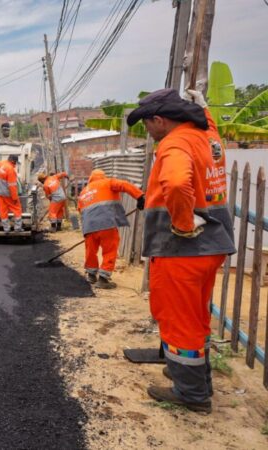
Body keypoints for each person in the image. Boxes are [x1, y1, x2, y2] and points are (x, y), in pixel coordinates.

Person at [127, 88, 235, 413]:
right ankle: (195, 377)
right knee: (197, 315)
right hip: (212, 244)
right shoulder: (208, 136)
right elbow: (209, 126)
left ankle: (191, 394)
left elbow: (175, 184)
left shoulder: (174, 144)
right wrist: (204, 108)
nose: (146, 131)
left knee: (178, 319)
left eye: (147, 124)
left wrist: (184, 223)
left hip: (183, 250)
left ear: (160, 120)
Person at [77, 169, 144, 289]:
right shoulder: (107, 182)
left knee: (91, 250)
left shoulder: (83, 192)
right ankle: (103, 278)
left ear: (90, 179)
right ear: (102, 177)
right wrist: (140, 196)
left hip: (89, 226)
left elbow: (80, 210)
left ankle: (91, 275)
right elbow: (124, 185)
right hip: (106, 223)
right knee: (110, 249)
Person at [0, 155, 22, 232]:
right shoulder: (11, 170)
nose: (15, 164)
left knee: (3, 211)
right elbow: (12, 186)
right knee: (17, 209)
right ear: (13, 161)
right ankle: (18, 228)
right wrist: (15, 198)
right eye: (15, 163)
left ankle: (6, 229)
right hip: (8, 194)